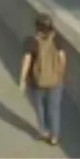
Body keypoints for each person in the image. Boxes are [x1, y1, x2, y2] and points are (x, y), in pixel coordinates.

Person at [19, 13, 66, 145]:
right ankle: (54, 136)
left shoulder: (31, 41)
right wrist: (60, 75)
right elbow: (62, 58)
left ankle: (43, 131)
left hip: (36, 82)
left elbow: (27, 60)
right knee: (54, 108)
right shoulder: (57, 40)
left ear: (37, 27)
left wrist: (22, 79)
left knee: (40, 107)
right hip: (55, 81)